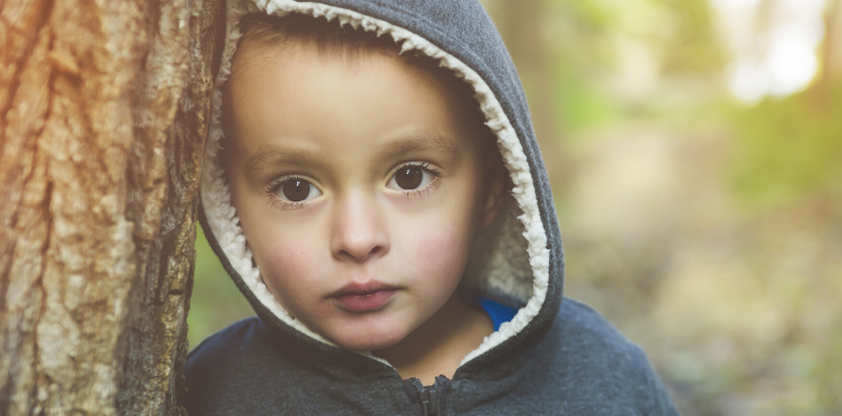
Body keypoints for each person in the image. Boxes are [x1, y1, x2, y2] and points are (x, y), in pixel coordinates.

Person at [183, 1, 681, 415]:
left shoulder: (600, 374)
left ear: (489, 190)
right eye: (295, 189)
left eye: (410, 177)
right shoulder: (211, 393)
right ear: (230, 204)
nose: (358, 238)